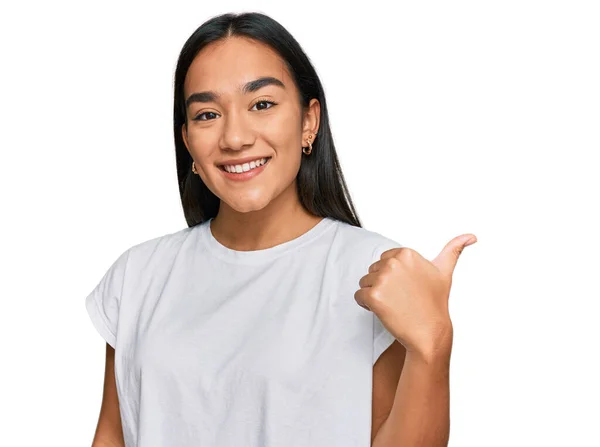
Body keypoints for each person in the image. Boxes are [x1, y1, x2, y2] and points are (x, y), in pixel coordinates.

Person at [85, 11, 474, 447]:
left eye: (262, 105)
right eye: (208, 114)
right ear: (187, 140)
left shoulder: (374, 273)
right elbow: (111, 437)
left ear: (309, 122)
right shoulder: (138, 276)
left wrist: (432, 344)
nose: (234, 137)